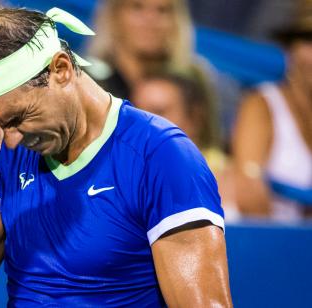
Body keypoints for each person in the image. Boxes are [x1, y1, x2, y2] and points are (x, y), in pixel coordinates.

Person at [0, 7, 232, 307]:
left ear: (61, 70)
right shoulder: (1, 148)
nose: (10, 140)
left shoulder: (161, 156)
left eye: (19, 118)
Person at [87, 0, 236, 145]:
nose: (150, 19)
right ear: (114, 15)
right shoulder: (88, 79)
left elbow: (212, 144)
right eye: (137, 7)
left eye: (162, 10)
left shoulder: (196, 77)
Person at [232, 0, 312, 220]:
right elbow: (248, 190)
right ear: (289, 49)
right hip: (277, 243)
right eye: (308, 41)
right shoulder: (262, 105)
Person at [133, 73, 237, 219]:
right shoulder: (117, 176)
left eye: (158, 112)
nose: (142, 124)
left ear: (194, 117)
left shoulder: (231, 180)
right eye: (135, 113)